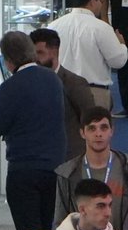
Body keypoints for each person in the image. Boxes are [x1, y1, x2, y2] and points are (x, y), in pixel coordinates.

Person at [0, 31, 68, 230]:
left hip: (23, 170)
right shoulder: (54, 80)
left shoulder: (10, 87)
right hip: (53, 167)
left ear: (8, 60)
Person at [48, 0, 128, 111]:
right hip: (94, 93)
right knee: (95, 124)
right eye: (100, 0)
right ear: (92, 1)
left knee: (64, 123)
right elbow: (117, 61)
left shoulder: (53, 26)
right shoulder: (102, 28)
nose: (101, 4)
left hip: (61, 91)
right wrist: (122, 45)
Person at [30, 28, 91, 161]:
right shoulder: (29, 83)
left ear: (54, 52)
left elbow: (90, 120)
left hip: (68, 158)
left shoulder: (75, 84)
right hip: (37, 156)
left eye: (39, 53)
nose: (35, 59)